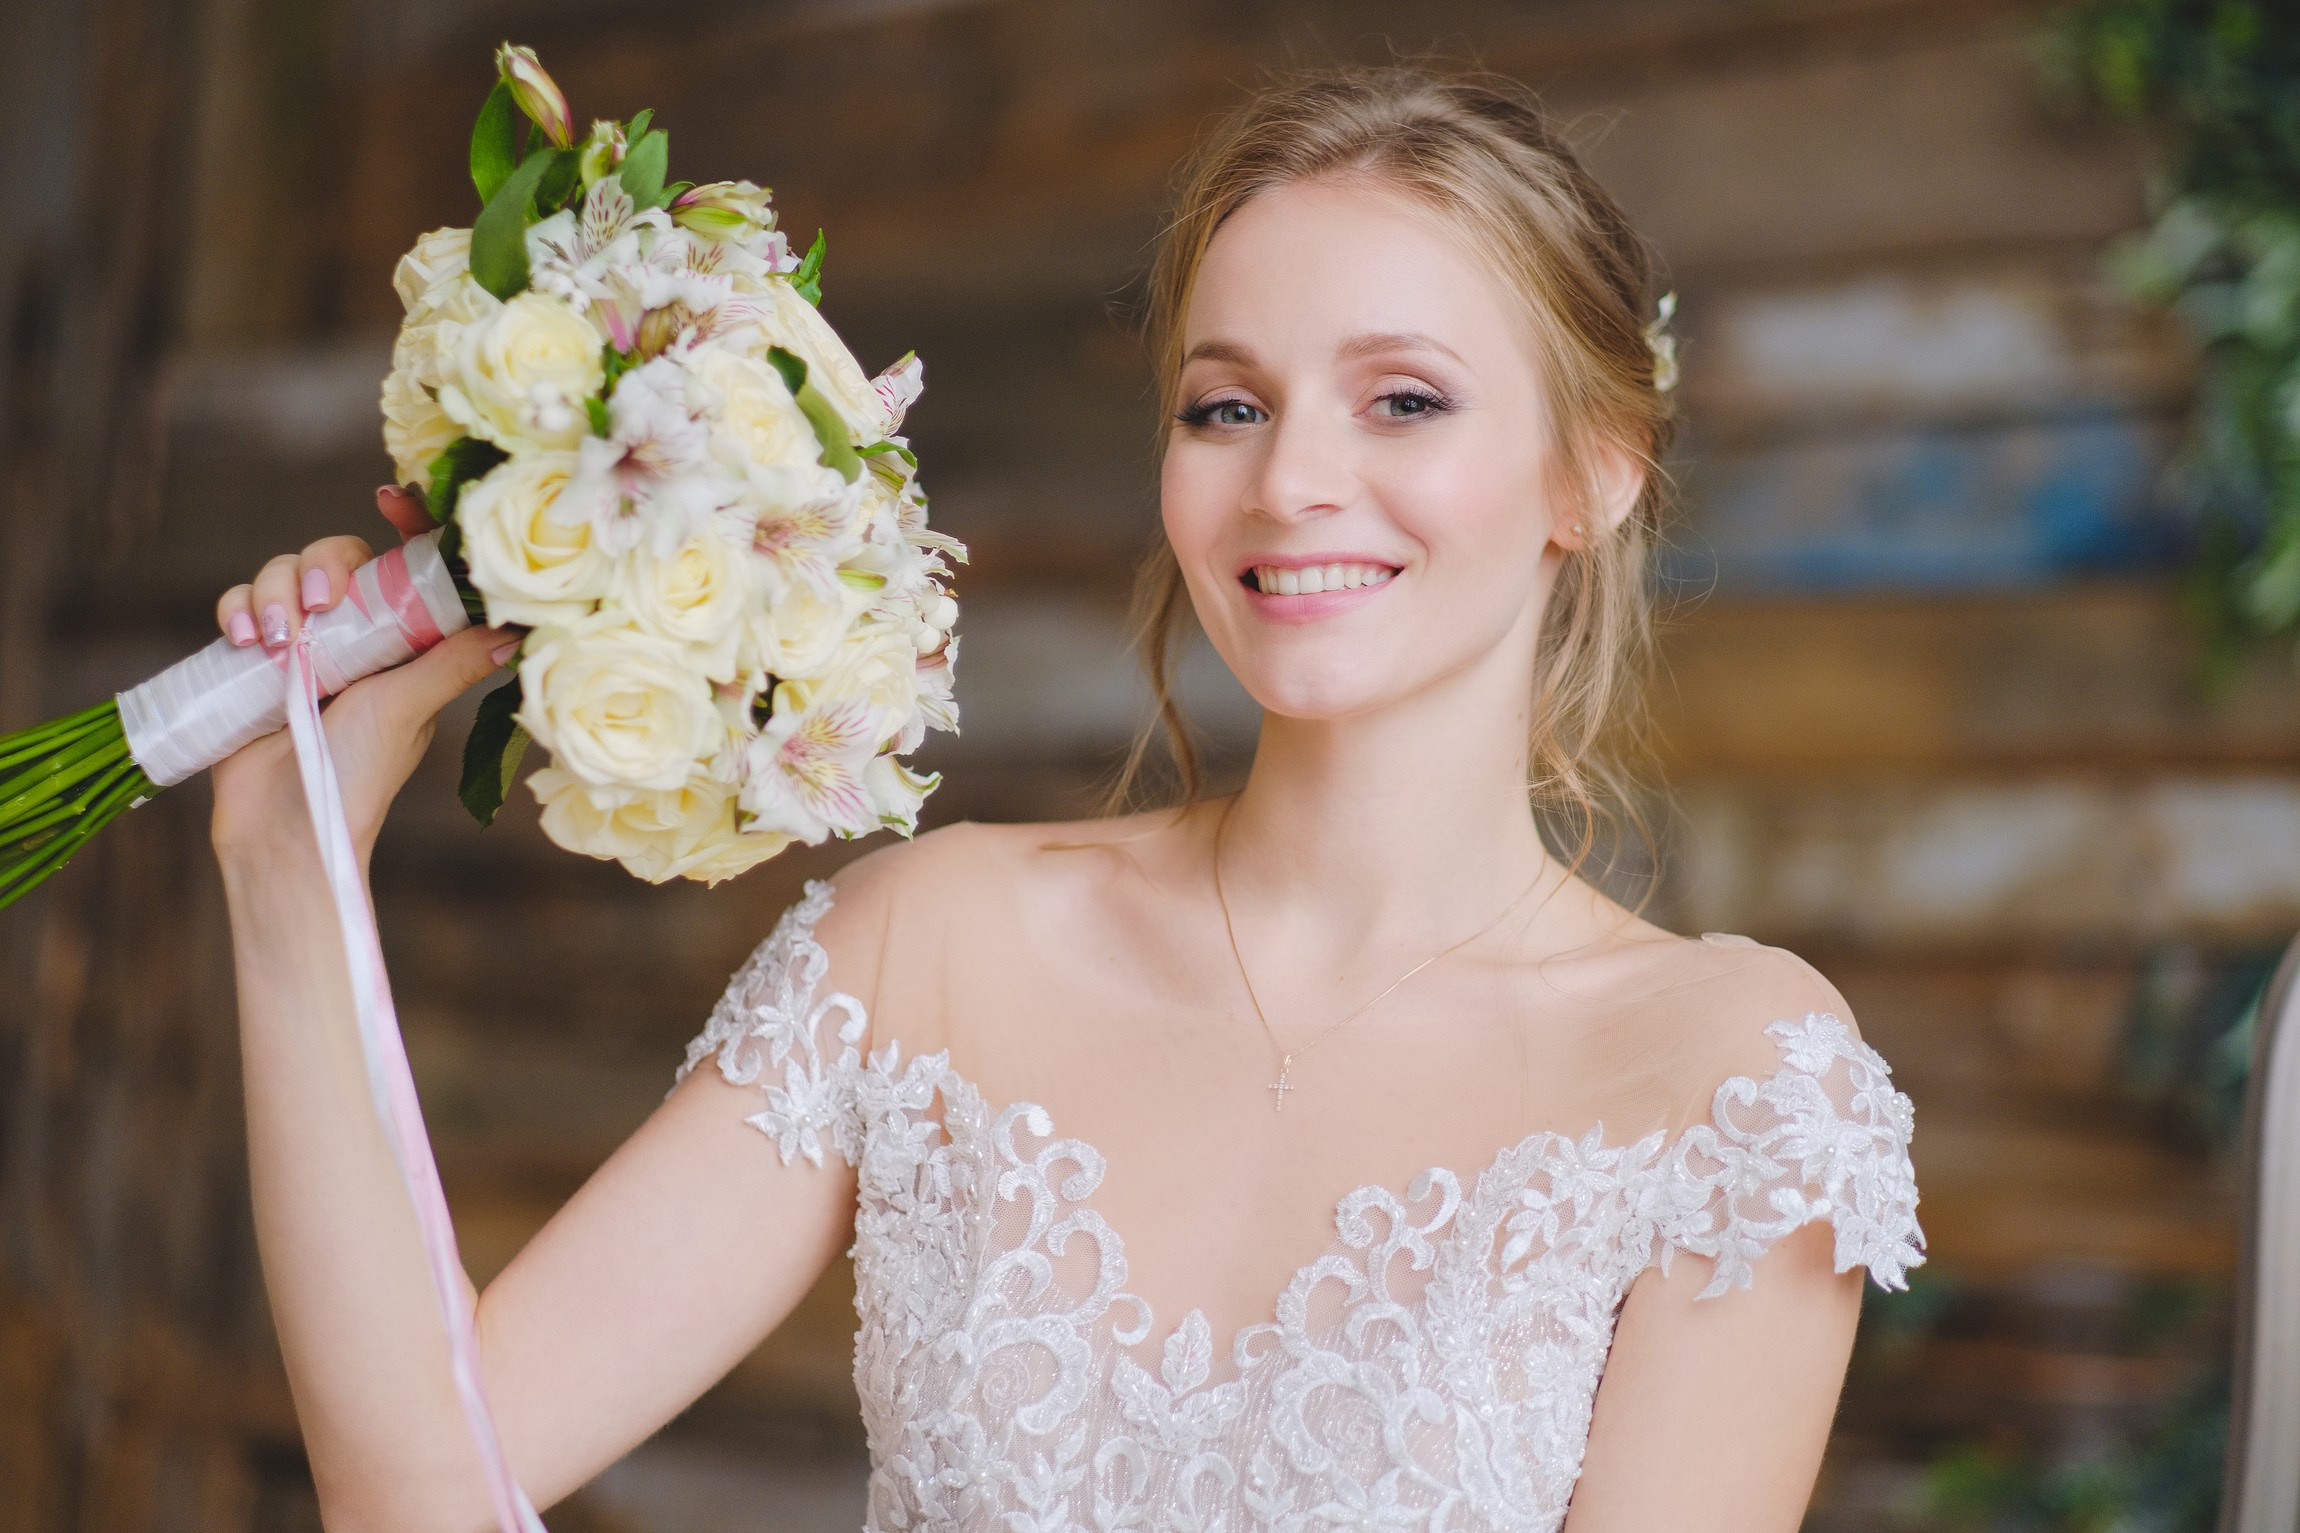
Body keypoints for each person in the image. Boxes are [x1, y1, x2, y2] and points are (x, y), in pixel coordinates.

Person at [206, 64, 1922, 1533]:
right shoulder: (931, 945)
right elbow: (415, 1492)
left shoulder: (1736, 1087)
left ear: (1592, 467)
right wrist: (293, 879)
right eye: (1226, 404)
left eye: (1404, 398)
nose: (1293, 480)